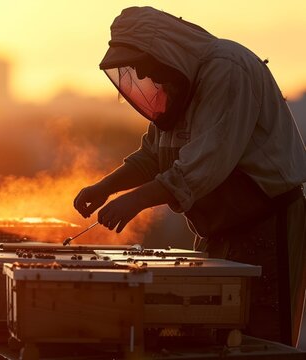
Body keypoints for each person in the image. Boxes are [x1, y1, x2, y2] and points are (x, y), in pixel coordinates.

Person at [73, 6, 306, 346]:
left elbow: (202, 167)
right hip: (221, 230)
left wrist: (136, 200)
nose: (147, 78)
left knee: (260, 341)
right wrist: (104, 187)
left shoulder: (228, 70)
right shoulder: (179, 86)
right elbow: (154, 156)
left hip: (268, 228)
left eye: (148, 68)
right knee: (214, 336)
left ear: (166, 53)